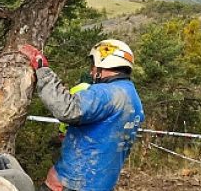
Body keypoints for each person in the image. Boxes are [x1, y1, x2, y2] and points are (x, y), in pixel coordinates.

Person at [20, 39, 145, 191]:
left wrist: (43, 70)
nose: (91, 72)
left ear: (103, 64)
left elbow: (66, 109)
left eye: (93, 66)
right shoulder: (132, 97)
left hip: (76, 182)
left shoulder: (105, 93)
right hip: (102, 183)